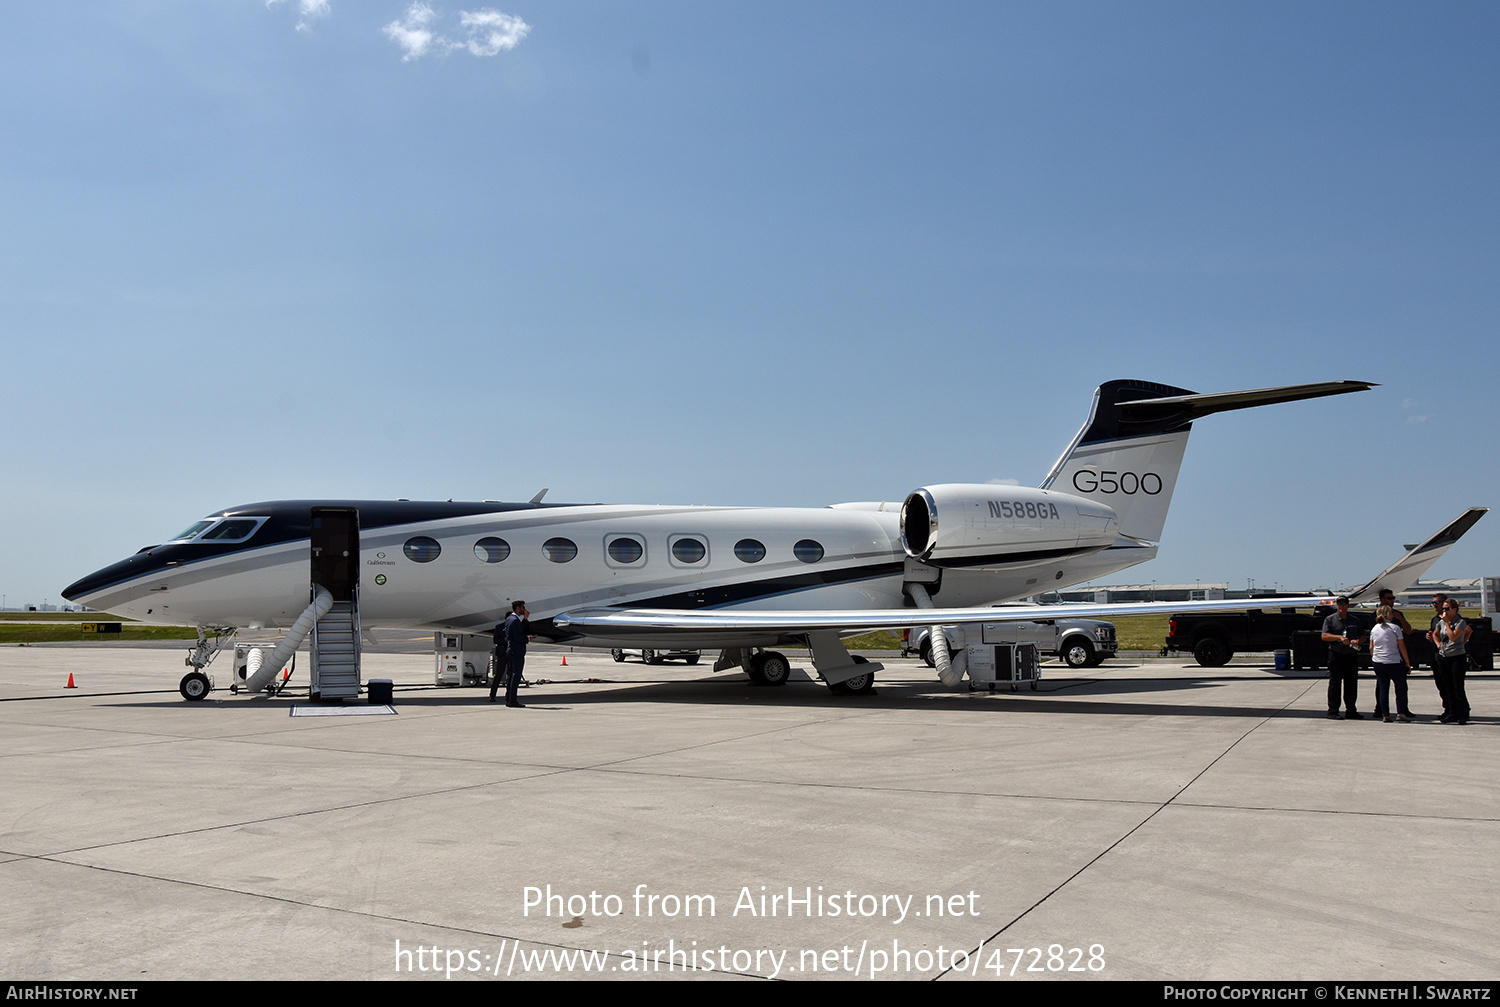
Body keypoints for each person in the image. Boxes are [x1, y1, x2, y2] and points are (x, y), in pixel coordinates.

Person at [1429, 598, 1472, 724]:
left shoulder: (1460, 622)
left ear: (1454, 610)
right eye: (1443, 609)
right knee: (1447, 686)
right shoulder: (1440, 622)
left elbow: (1453, 637)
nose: (1445, 611)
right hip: (1444, 656)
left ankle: (1463, 713)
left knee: (1457, 686)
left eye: (1447, 609)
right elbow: (1435, 634)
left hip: (1457, 657)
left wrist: (1447, 623)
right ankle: (1452, 712)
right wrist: (1437, 644)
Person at [1321, 596, 1364, 719]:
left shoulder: (1354, 620)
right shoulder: (1330, 620)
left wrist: (1357, 641)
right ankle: (1333, 711)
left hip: (1350, 655)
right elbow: (1324, 636)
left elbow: (1363, 635)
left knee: (1351, 683)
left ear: (1348, 606)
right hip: (1336, 654)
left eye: (1344, 604)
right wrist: (1339, 638)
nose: (1341, 606)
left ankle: (1351, 710)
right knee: (1335, 683)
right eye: (1339, 604)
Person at [1369, 605, 1412, 722]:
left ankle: (1386, 714)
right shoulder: (1395, 628)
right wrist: (1407, 663)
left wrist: (1375, 658)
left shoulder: (1374, 629)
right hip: (1393, 661)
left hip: (1379, 662)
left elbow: (1371, 647)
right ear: (1389, 614)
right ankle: (1401, 713)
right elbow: (1401, 646)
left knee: (1383, 689)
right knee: (1401, 688)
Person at [502, 600, 532, 708]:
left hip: (511, 650)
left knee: (511, 675)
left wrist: (525, 619)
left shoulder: (510, 619)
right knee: (516, 675)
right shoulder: (515, 620)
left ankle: (509, 698)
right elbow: (518, 636)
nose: (524, 610)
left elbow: (517, 631)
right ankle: (512, 699)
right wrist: (528, 639)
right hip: (516, 651)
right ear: (518, 608)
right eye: (523, 607)